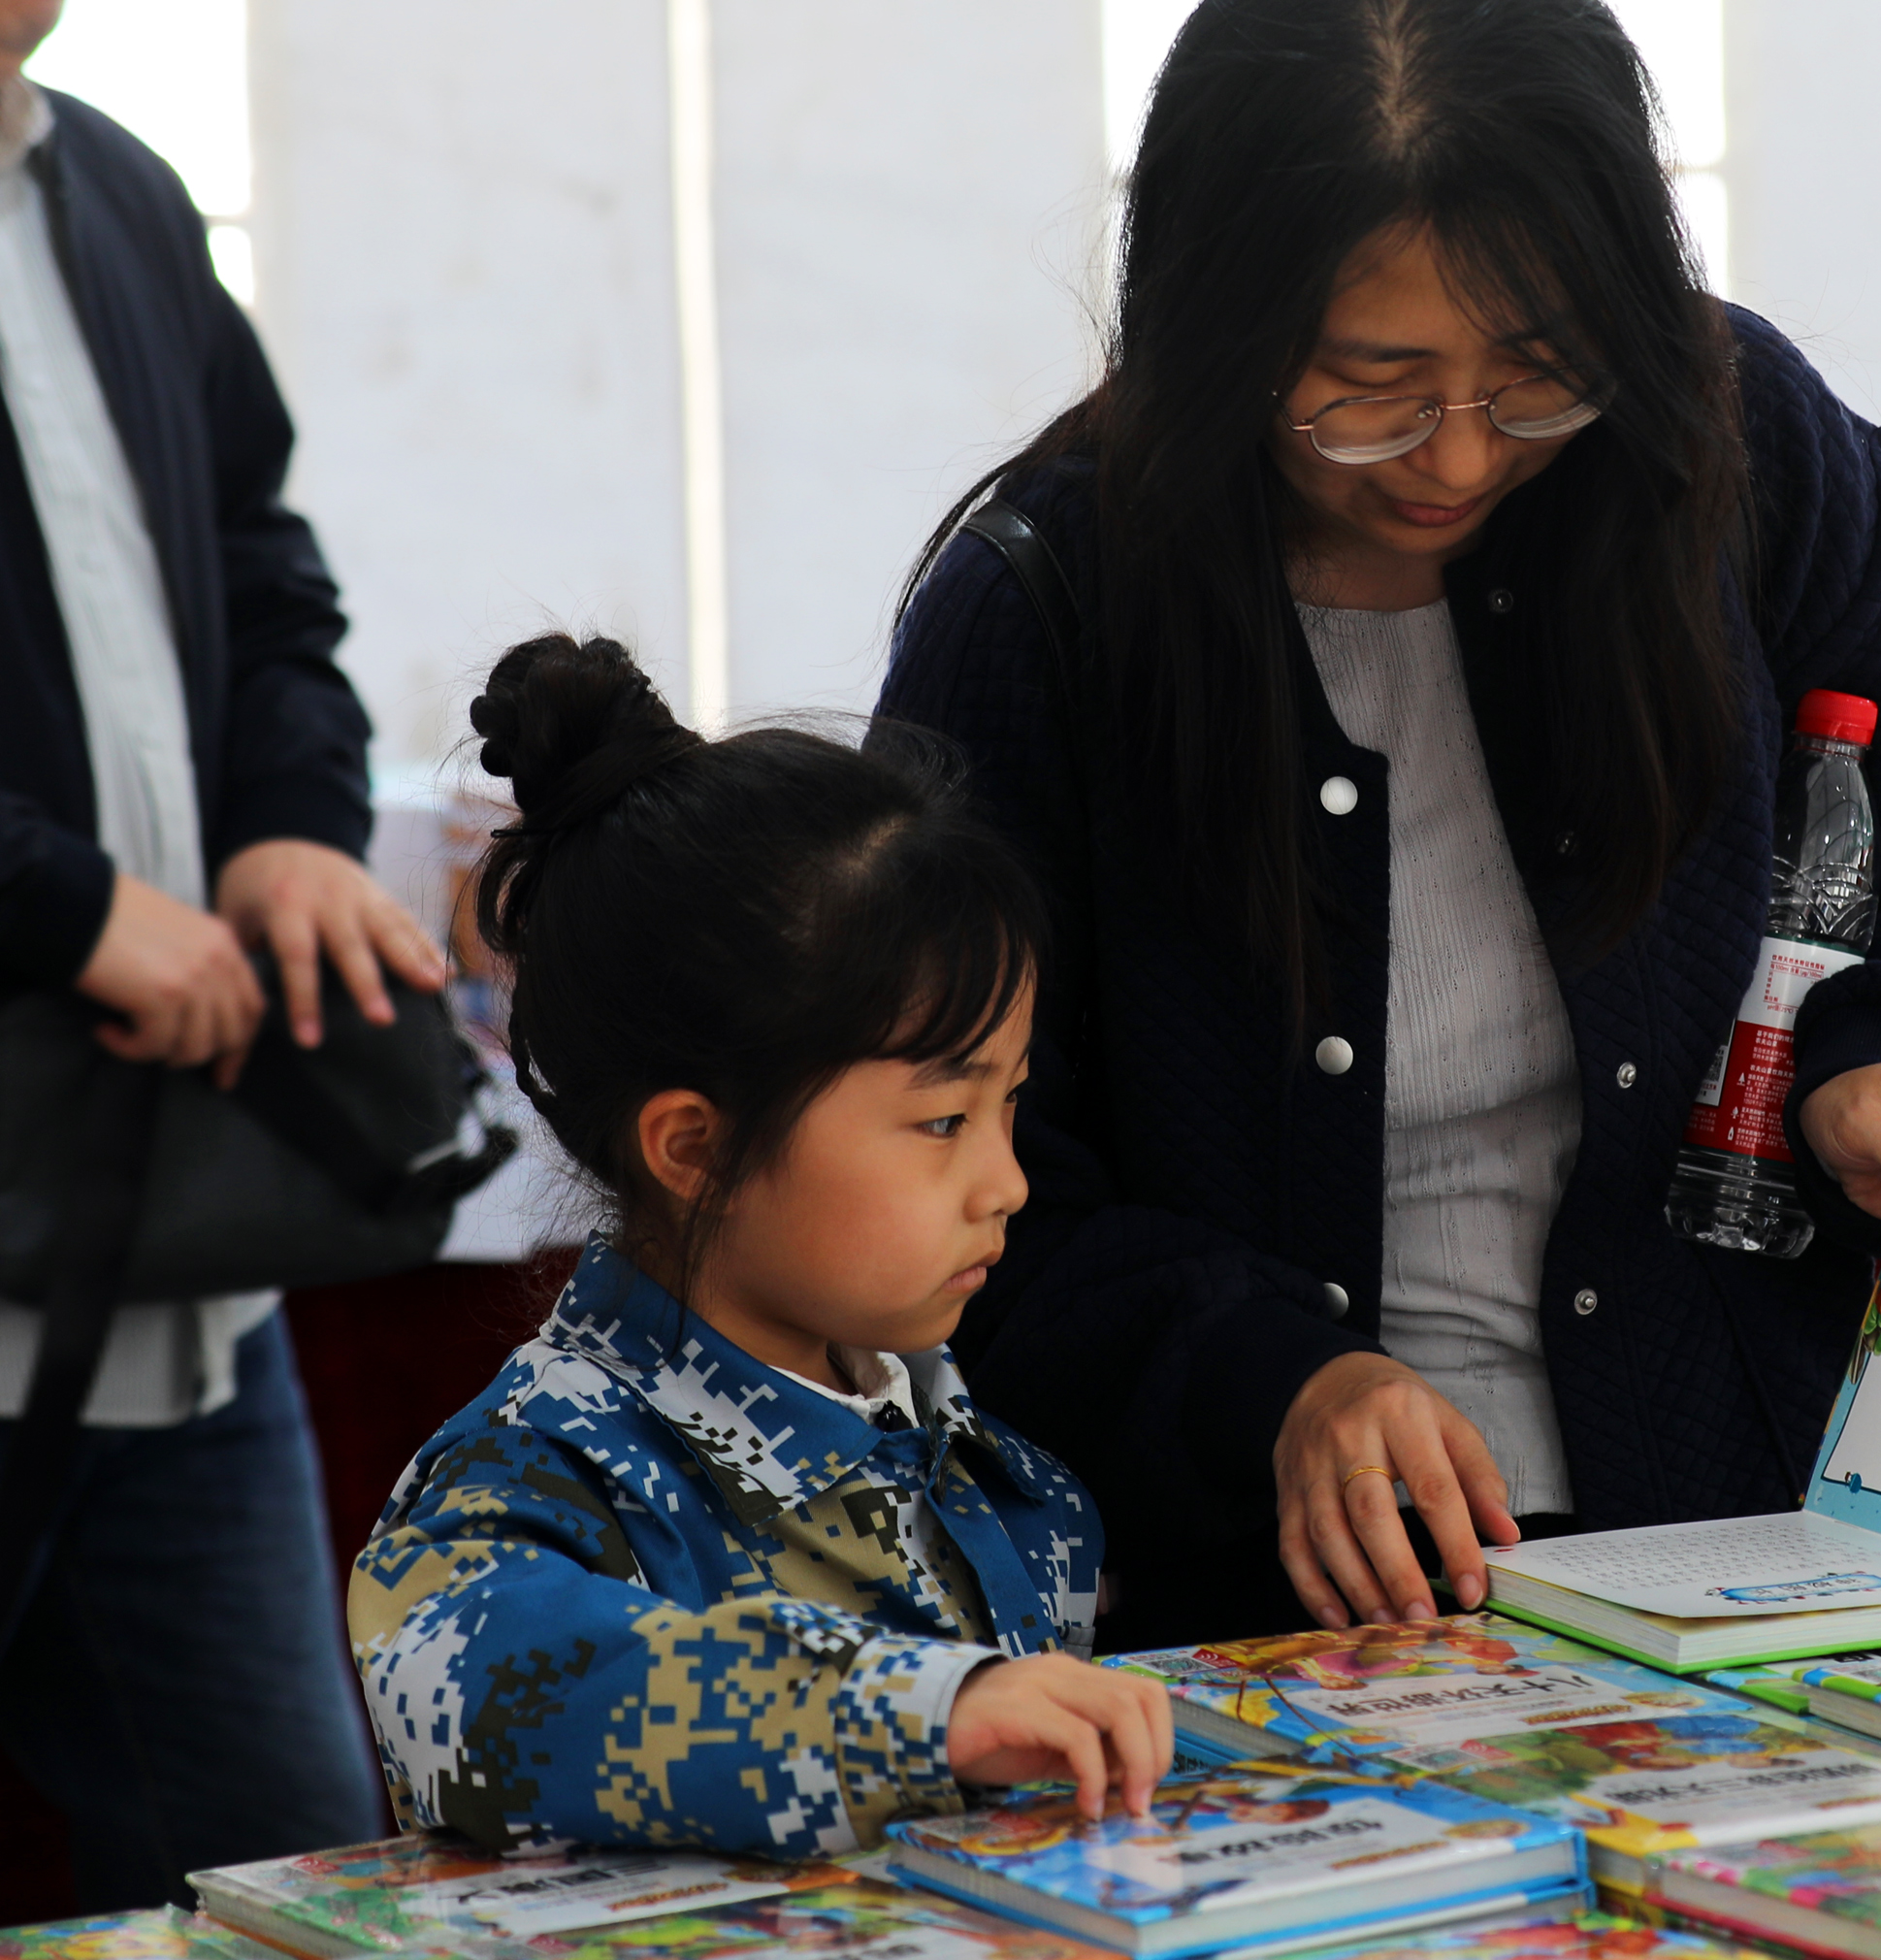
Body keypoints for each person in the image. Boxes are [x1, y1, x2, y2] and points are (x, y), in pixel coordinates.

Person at [876, 0, 1881, 1648]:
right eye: (1370, 393)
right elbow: (932, 1160)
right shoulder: (1049, 612)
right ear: (1217, 330)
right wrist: (1272, 1378)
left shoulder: (1737, 454)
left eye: (1538, 374)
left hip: (1764, 1549)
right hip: (1285, 1614)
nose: (1457, 457)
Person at [346, 638, 1171, 1855]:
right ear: (696, 1148)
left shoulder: (996, 1474)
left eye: (1009, 1105)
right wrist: (925, 1713)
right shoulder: (546, 1472)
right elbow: (481, 1683)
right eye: (943, 1121)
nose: (1007, 1181)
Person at [0, 1, 445, 1908]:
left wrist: (289, 825)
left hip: (171, 1276)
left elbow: (265, 571)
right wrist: (63, 900)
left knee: (295, 1886)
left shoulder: (114, 185)